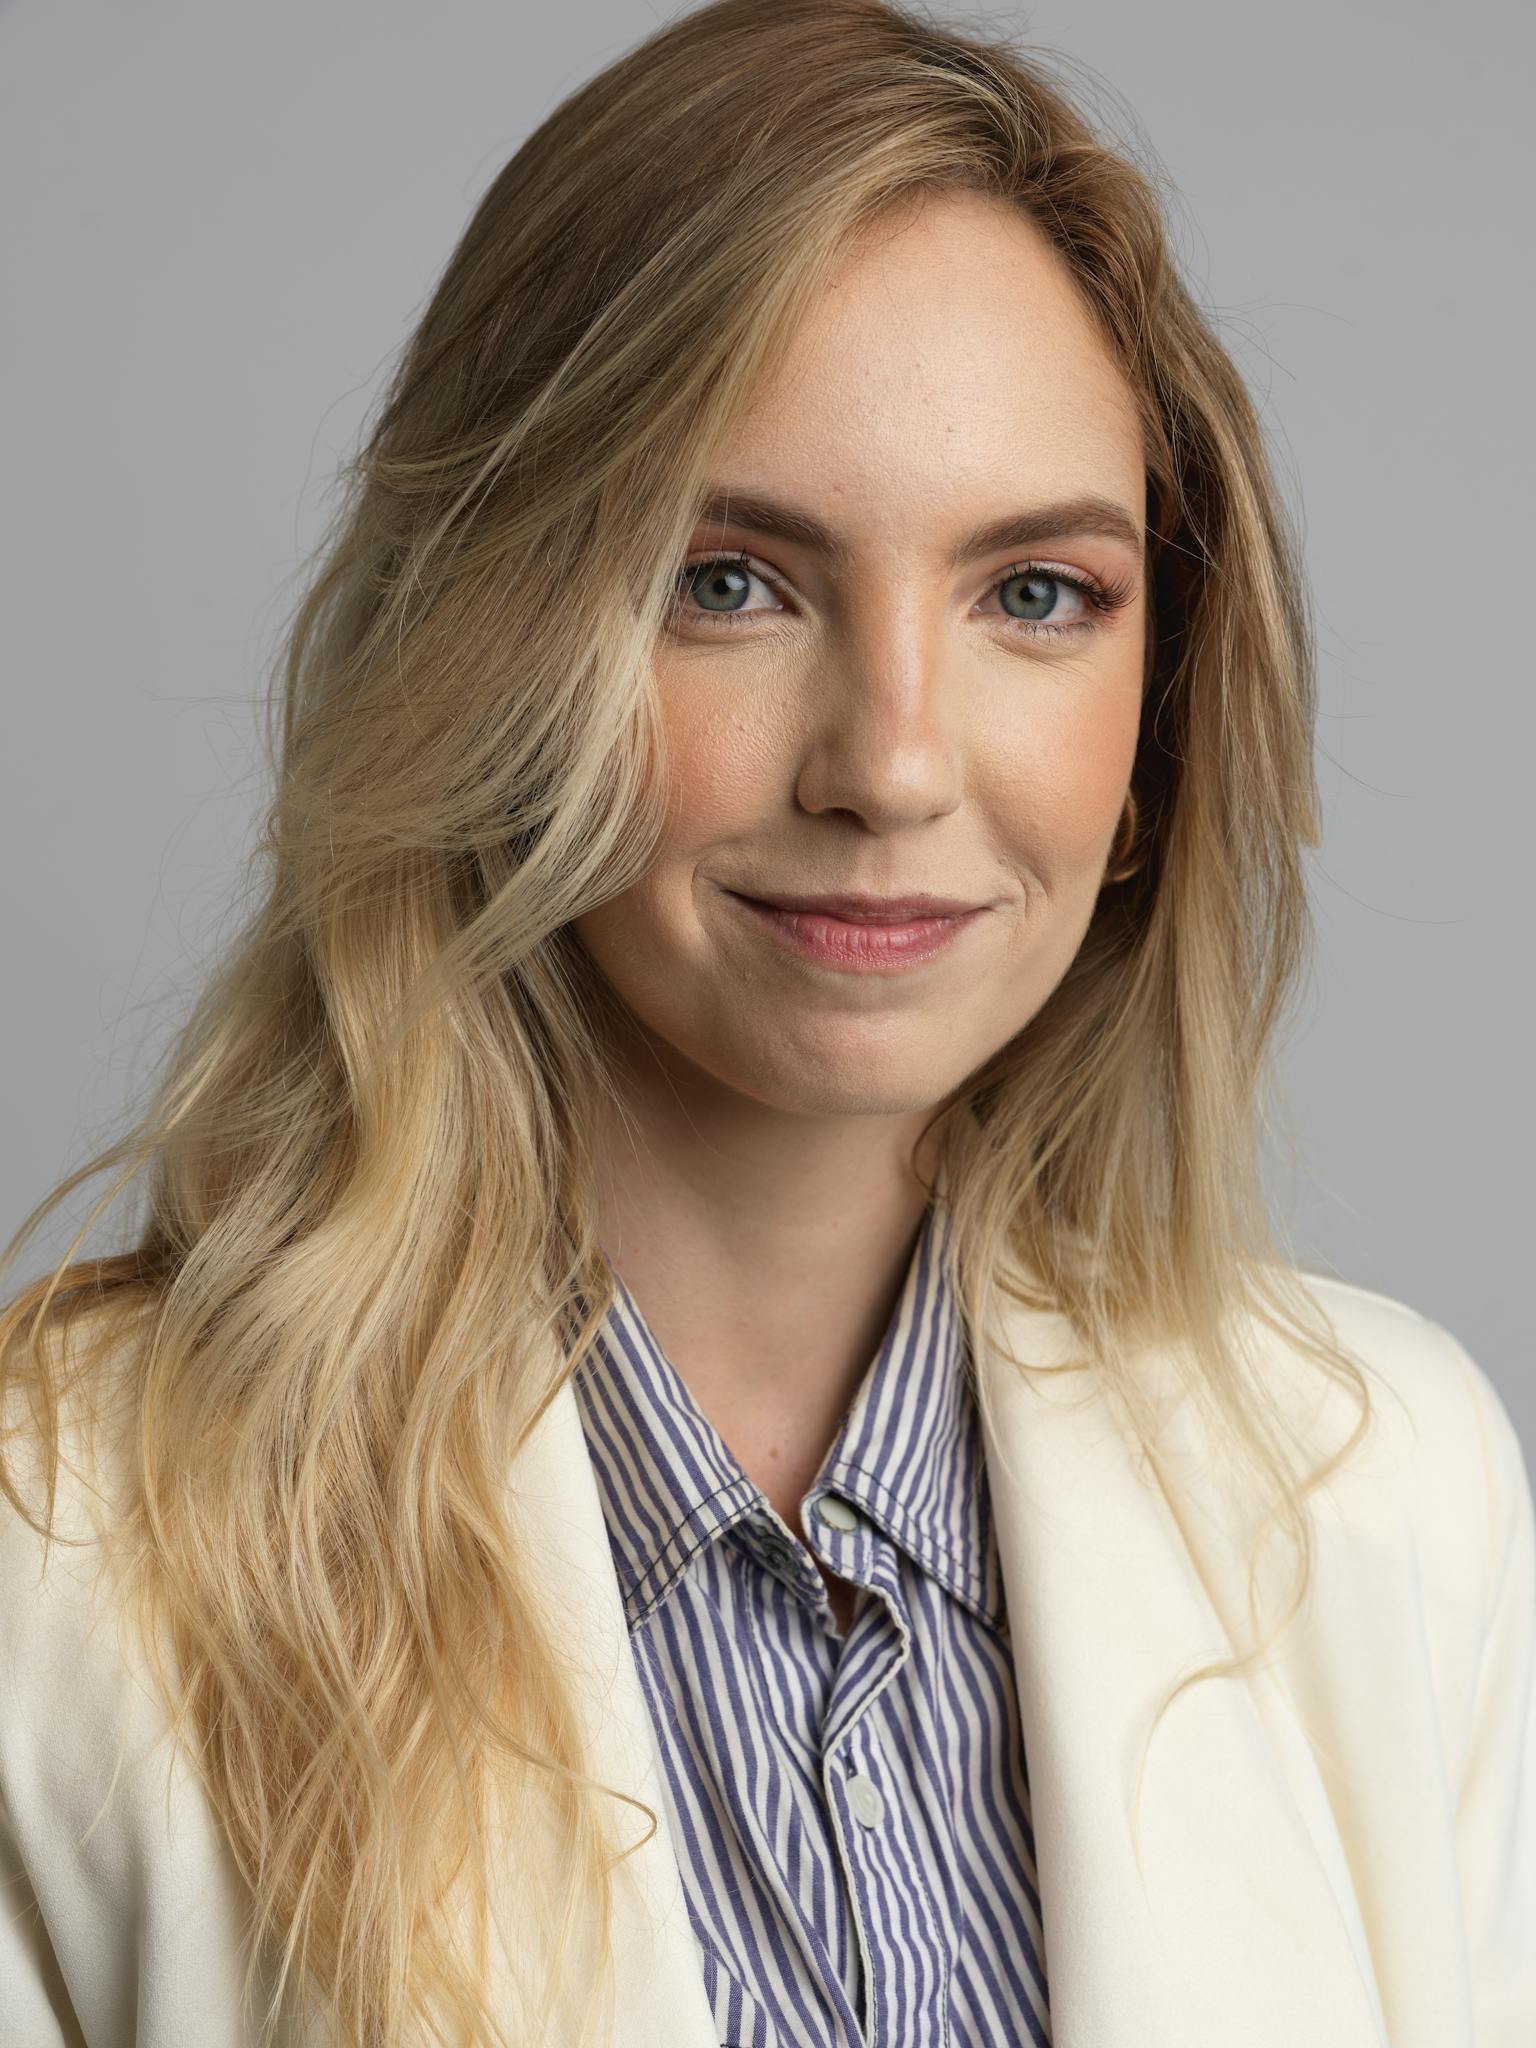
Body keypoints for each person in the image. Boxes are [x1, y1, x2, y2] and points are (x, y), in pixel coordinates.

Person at [2, 2, 1532, 2044]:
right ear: (493, 648)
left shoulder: (1383, 1486)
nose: (893, 764)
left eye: (1037, 596)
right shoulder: (55, 1552)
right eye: (730, 580)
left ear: (1155, 722)